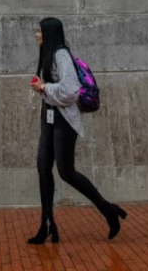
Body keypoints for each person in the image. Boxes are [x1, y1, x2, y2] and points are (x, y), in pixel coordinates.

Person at [27, 17, 127, 244]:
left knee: (66, 171)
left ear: (50, 33)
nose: (36, 35)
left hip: (64, 121)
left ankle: (108, 210)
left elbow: (71, 90)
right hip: (49, 118)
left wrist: (43, 87)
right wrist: (41, 89)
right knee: (43, 168)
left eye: (39, 31)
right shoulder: (46, 54)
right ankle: (47, 224)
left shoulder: (60, 54)